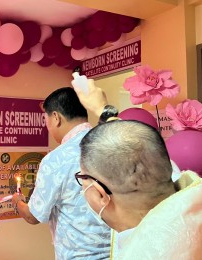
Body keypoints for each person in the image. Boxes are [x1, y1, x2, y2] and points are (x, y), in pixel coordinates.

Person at [74, 82, 202, 259]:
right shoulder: (188, 197)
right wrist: (105, 111)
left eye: (81, 179)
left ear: (100, 194)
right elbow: (140, 155)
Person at [11, 87, 111, 259]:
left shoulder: (55, 160)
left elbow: (33, 216)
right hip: (120, 252)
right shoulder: (112, 144)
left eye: (47, 120)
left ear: (56, 117)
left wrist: (18, 202)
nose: (48, 127)